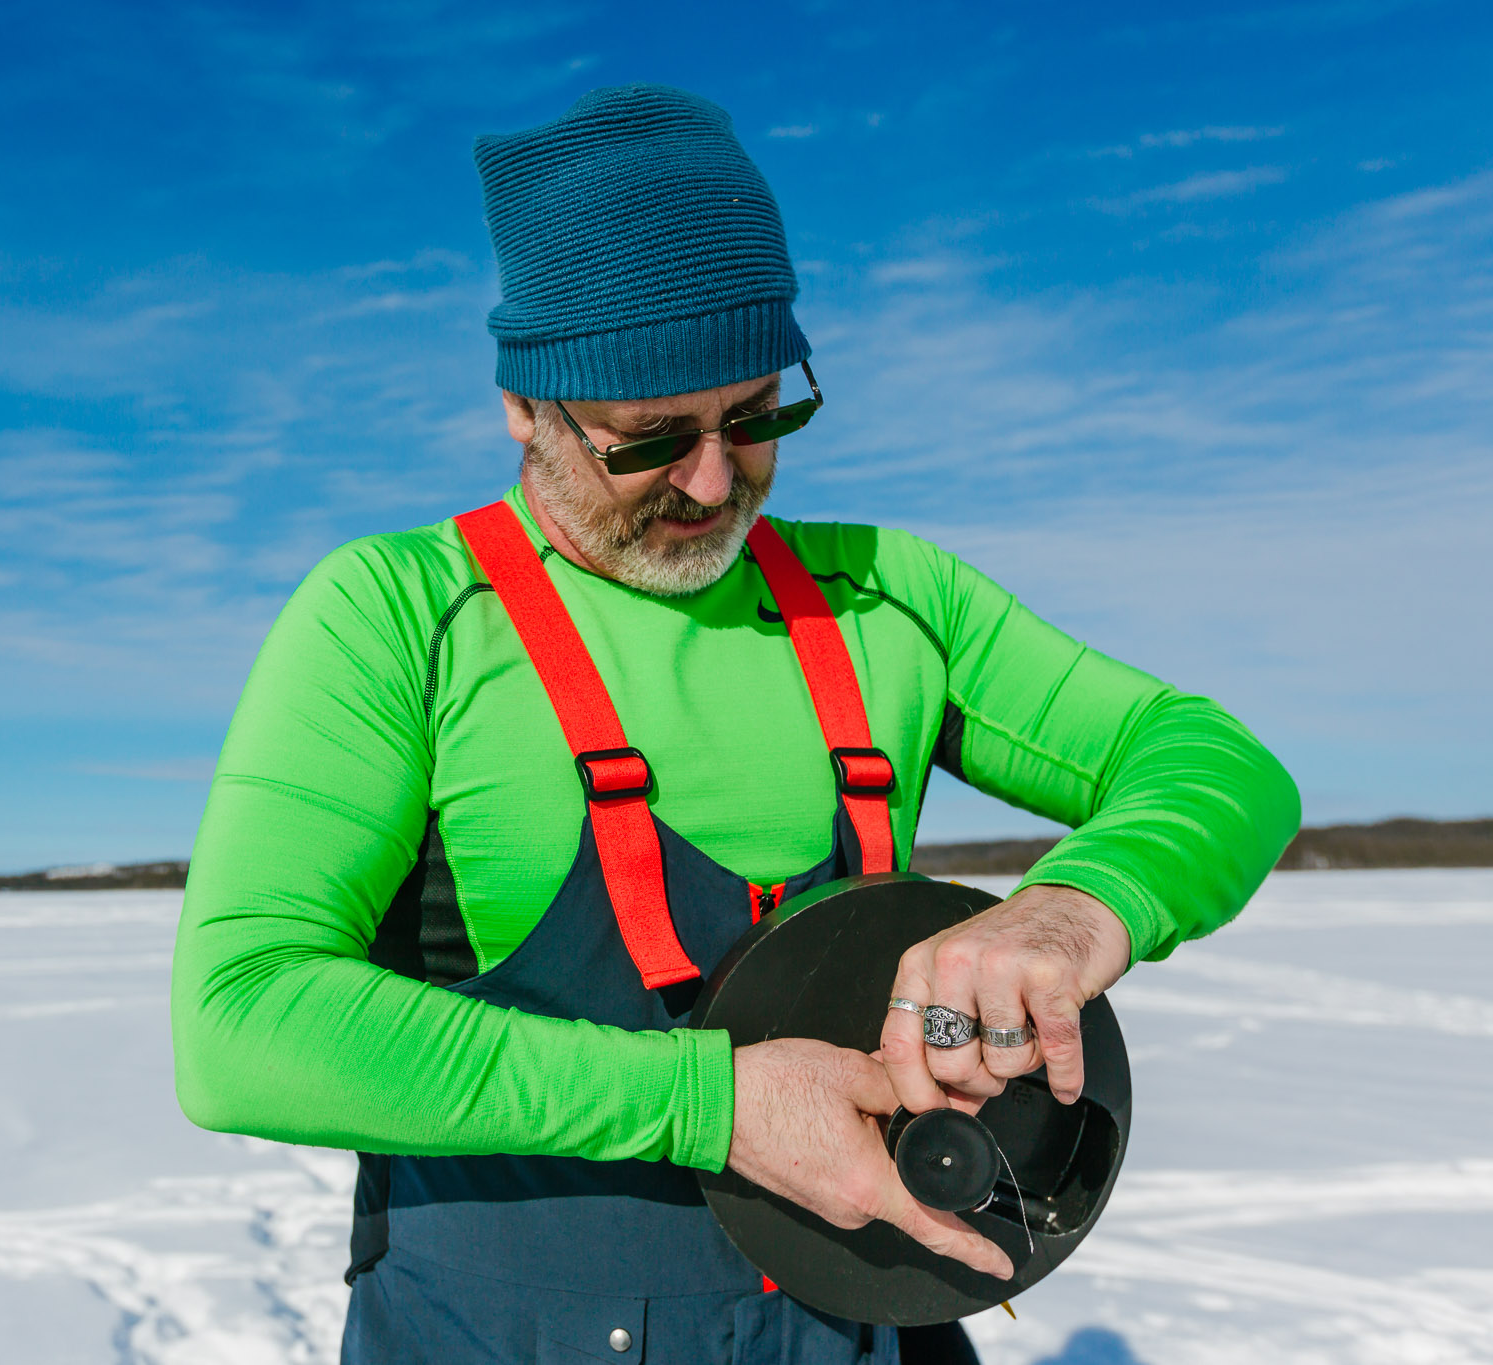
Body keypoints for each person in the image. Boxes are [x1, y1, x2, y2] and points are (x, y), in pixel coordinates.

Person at [171, 83, 1299, 1365]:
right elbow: (240, 1026)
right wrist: (707, 1106)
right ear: (524, 407)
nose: (714, 483)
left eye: (757, 415)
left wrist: (1075, 906)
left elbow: (1218, 764)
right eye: (649, 439)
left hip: (867, 1330)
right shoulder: (396, 614)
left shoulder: (884, 597)